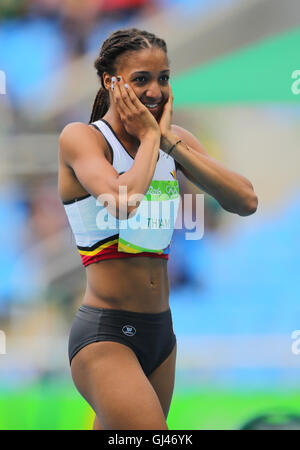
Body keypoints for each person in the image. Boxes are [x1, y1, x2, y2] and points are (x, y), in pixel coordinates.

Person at [58, 27, 258, 430]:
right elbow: (124, 200)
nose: (155, 90)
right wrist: (152, 139)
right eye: (141, 79)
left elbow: (246, 201)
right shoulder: (83, 139)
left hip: (160, 334)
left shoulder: (173, 142)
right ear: (109, 82)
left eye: (163, 78)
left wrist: (169, 143)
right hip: (106, 334)